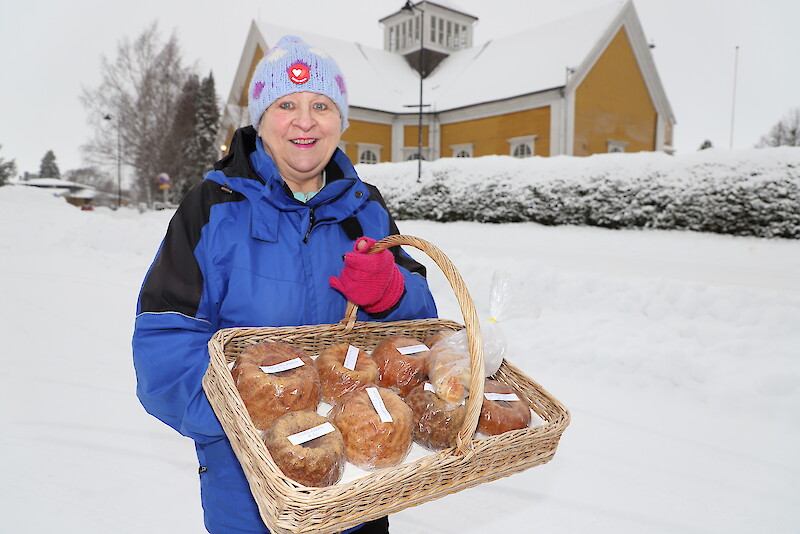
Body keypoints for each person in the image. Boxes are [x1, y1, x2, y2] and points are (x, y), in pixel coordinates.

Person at [132, 35, 438, 534]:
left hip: (358, 477)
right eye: (286, 104)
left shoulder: (367, 211)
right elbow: (162, 346)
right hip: (248, 486)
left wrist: (393, 295)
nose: (304, 120)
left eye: (321, 105)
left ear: (340, 120)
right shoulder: (211, 209)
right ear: (259, 118)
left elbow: (419, 342)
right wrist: (246, 424)